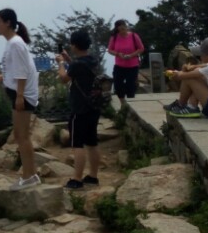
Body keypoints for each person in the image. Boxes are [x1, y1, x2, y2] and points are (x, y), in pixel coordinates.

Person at [0, 8, 40, 189]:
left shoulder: (15, 43)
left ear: (8, 22)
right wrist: (1, 78)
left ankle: (29, 176)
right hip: (18, 93)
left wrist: (20, 95)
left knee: (21, 136)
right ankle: (30, 174)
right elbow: (14, 68)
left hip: (22, 95)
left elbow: (22, 72)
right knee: (20, 135)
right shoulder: (13, 43)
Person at [56, 30, 102, 190]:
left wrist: (61, 63)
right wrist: (68, 59)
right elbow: (78, 69)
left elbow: (64, 78)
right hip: (93, 107)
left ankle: (77, 179)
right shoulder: (92, 60)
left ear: (74, 45)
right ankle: (93, 176)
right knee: (92, 142)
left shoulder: (77, 65)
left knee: (78, 144)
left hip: (79, 108)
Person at [107, 20, 144, 105]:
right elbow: (109, 50)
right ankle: (123, 103)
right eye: (120, 29)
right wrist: (118, 54)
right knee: (118, 84)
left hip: (132, 66)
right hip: (119, 65)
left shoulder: (134, 36)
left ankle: (131, 104)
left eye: (123, 28)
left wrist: (131, 55)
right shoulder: (114, 37)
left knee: (130, 85)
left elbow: (141, 48)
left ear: (126, 27)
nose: (122, 31)